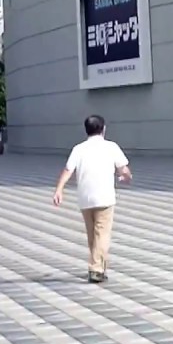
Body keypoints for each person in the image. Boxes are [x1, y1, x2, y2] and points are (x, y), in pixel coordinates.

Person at [52, 115, 132, 283]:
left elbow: (68, 170)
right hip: (105, 198)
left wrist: (59, 189)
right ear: (103, 129)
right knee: (102, 234)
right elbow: (124, 170)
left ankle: (100, 268)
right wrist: (126, 176)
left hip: (85, 198)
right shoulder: (111, 147)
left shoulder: (78, 149)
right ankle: (96, 269)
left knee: (93, 235)